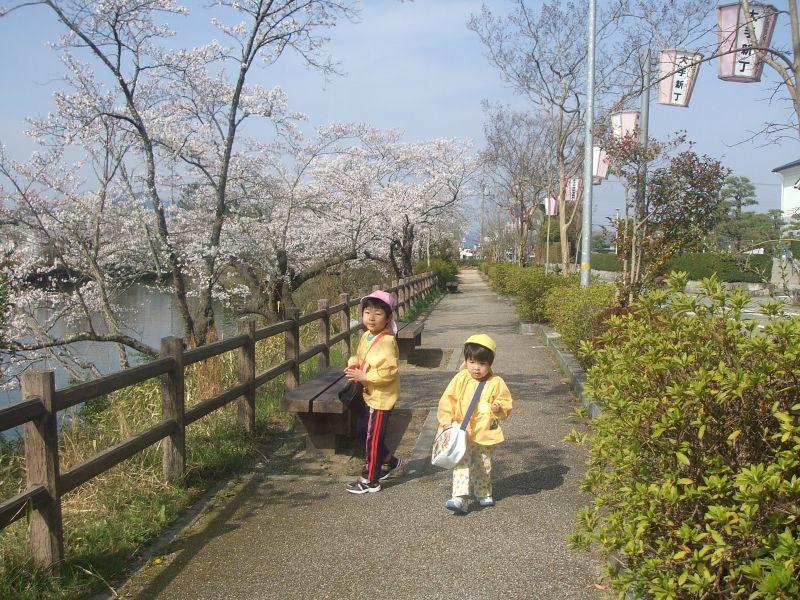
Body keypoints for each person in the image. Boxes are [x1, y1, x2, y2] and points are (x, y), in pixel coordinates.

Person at [436, 334, 512, 512]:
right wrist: (446, 421)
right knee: (461, 463)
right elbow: (448, 400)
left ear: (490, 364)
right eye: (472, 362)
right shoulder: (461, 379)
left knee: (483, 464)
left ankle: (483, 492)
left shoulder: (496, 382)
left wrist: (498, 407)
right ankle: (459, 497)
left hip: (485, 433)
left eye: (482, 364)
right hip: (463, 432)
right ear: (466, 360)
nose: (476, 368)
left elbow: (506, 402)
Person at [344, 290, 403, 494]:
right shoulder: (368, 335)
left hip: (381, 398)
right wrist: (354, 364)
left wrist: (364, 377)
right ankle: (389, 461)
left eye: (378, 313)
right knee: (363, 431)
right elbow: (360, 356)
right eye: (367, 311)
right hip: (369, 394)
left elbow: (388, 372)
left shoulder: (386, 342)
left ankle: (370, 479)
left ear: (387, 318)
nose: (371, 317)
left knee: (373, 438)